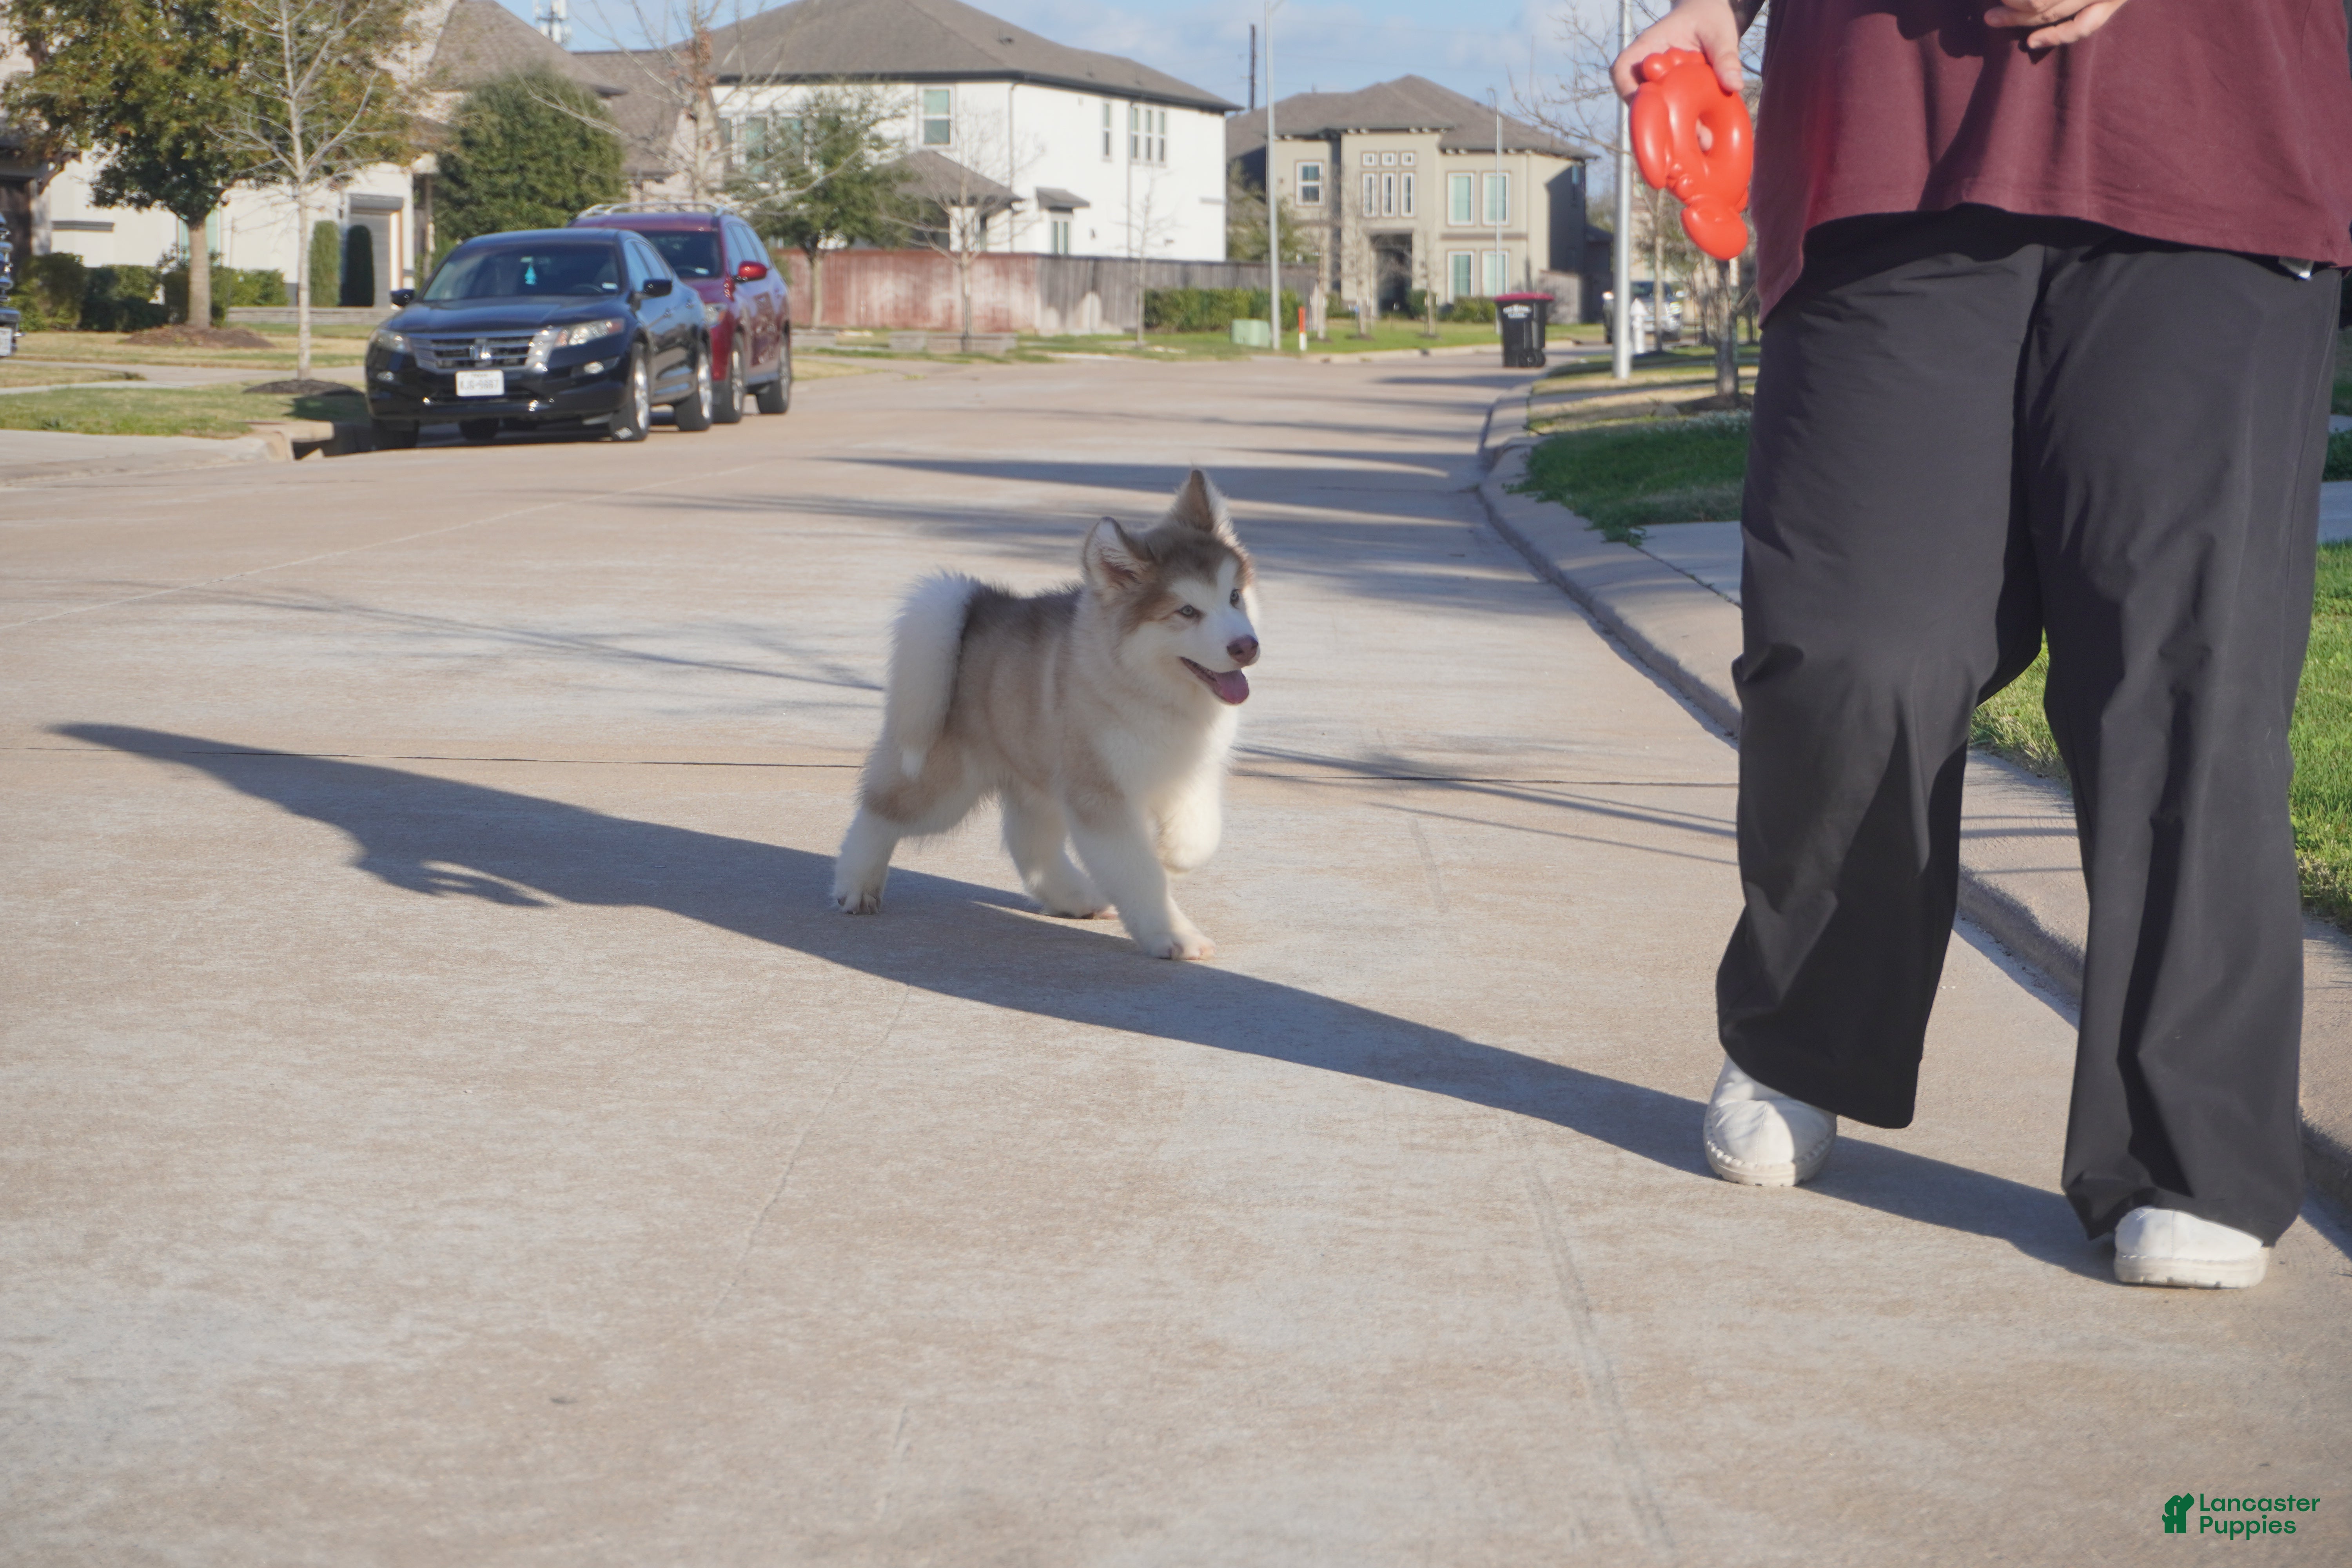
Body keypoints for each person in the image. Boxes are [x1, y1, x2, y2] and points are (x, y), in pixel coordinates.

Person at [1612, 0, 2352, 1288]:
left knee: (2183, 663)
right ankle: (1805, 1033)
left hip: (2214, 138)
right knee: (1851, 644)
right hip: (1886, 142)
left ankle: (2190, 1149)